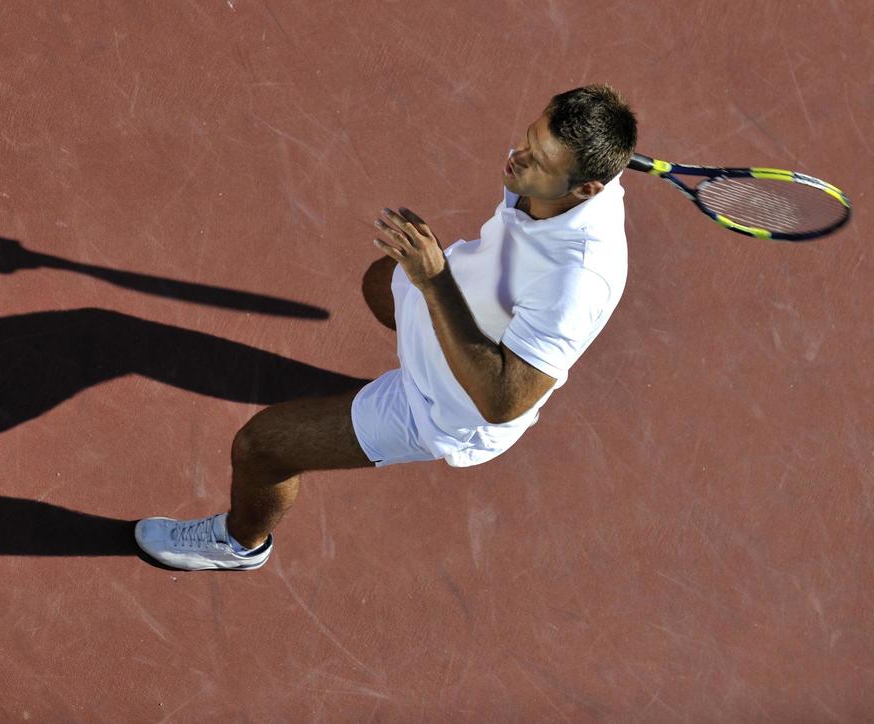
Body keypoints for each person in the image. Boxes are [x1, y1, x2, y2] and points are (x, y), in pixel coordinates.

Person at [135, 84, 638, 571]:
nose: (517, 156)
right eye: (531, 136)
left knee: (261, 447)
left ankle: (239, 544)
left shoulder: (578, 279)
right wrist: (431, 284)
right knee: (378, 286)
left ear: (587, 189)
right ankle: (387, 366)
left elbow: (503, 400)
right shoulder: (570, 172)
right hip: (459, 295)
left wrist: (434, 280)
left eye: (539, 160)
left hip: (443, 403)